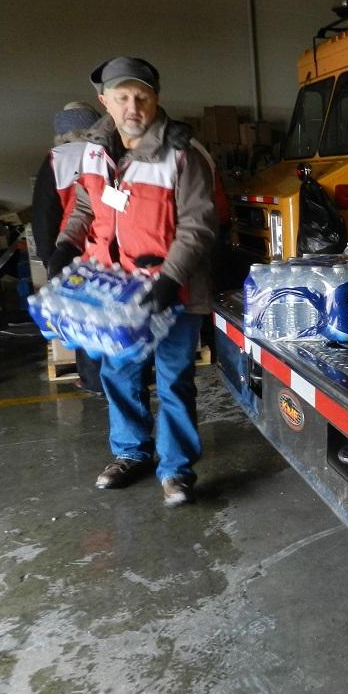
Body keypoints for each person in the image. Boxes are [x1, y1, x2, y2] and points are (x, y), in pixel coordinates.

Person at [47, 57, 217, 507]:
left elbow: (198, 226)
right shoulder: (94, 151)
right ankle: (130, 453)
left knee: (173, 380)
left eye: (141, 96)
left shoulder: (184, 153)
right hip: (116, 291)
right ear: (105, 101)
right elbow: (85, 205)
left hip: (173, 291)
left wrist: (169, 281)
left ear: (156, 98)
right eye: (122, 97)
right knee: (118, 373)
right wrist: (66, 245)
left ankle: (176, 471)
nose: (132, 106)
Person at [31, 101, 104, 394]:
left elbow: (44, 213)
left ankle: (92, 380)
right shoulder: (103, 153)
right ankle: (119, 379)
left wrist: (50, 257)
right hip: (107, 248)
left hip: (70, 249)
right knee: (112, 316)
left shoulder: (55, 159)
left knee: (83, 318)